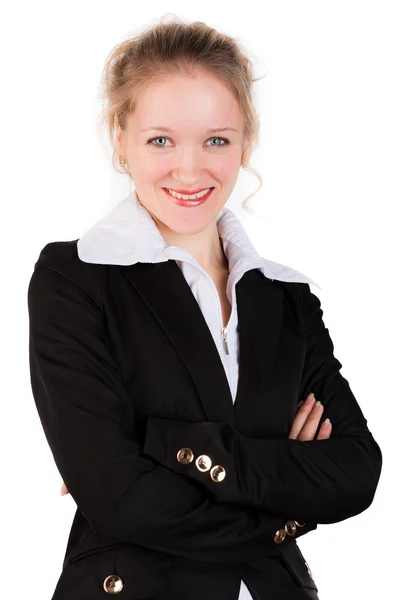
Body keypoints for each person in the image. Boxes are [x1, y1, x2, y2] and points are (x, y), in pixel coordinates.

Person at [27, 16, 382, 600]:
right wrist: (286, 489)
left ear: (245, 141)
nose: (190, 170)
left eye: (217, 139)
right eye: (160, 139)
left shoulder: (285, 298)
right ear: (121, 139)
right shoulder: (76, 278)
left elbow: (355, 472)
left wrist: (169, 447)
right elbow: (119, 499)